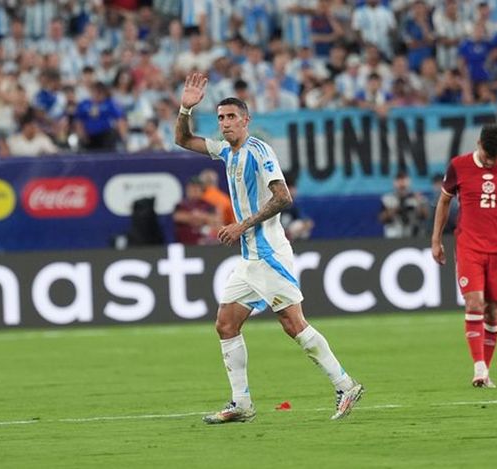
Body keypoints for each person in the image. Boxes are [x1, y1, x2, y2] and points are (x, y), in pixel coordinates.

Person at [174, 72, 363, 424]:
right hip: (249, 259)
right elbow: (183, 139)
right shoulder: (225, 152)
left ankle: (345, 384)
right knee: (226, 324)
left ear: (246, 120)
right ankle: (241, 403)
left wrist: (241, 225)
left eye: (231, 117)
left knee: (294, 325)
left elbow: (283, 197)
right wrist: (186, 107)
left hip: (270, 253)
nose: (225, 123)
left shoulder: (259, 152)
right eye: (220, 118)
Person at [431, 125, 497, 388]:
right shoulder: (459, 166)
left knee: (492, 311)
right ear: (478, 144)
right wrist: (436, 240)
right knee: (474, 303)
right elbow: (443, 202)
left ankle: (485, 370)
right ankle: (478, 368)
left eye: (495, 157)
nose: (490, 161)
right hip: (469, 245)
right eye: (487, 155)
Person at [379, 170, 429, 238]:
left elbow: (425, 216)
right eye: (398, 180)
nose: (401, 183)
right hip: (395, 234)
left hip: (414, 234)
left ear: (409, 181)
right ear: (394, 182)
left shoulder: (417, 197)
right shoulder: (387, 198)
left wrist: (419, 203)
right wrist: (397, 208)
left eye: (404, 179)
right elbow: (382, 219)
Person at [172, 176, 221, 245]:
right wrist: (196, 217)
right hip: (184, 243)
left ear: (202, 190)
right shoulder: (181, 205)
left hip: (204, 243)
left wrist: (202, 216)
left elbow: (216, 220)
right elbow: (177, 217)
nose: (194, 191)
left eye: (196, 189)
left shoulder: (208, 205)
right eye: (192, 188)